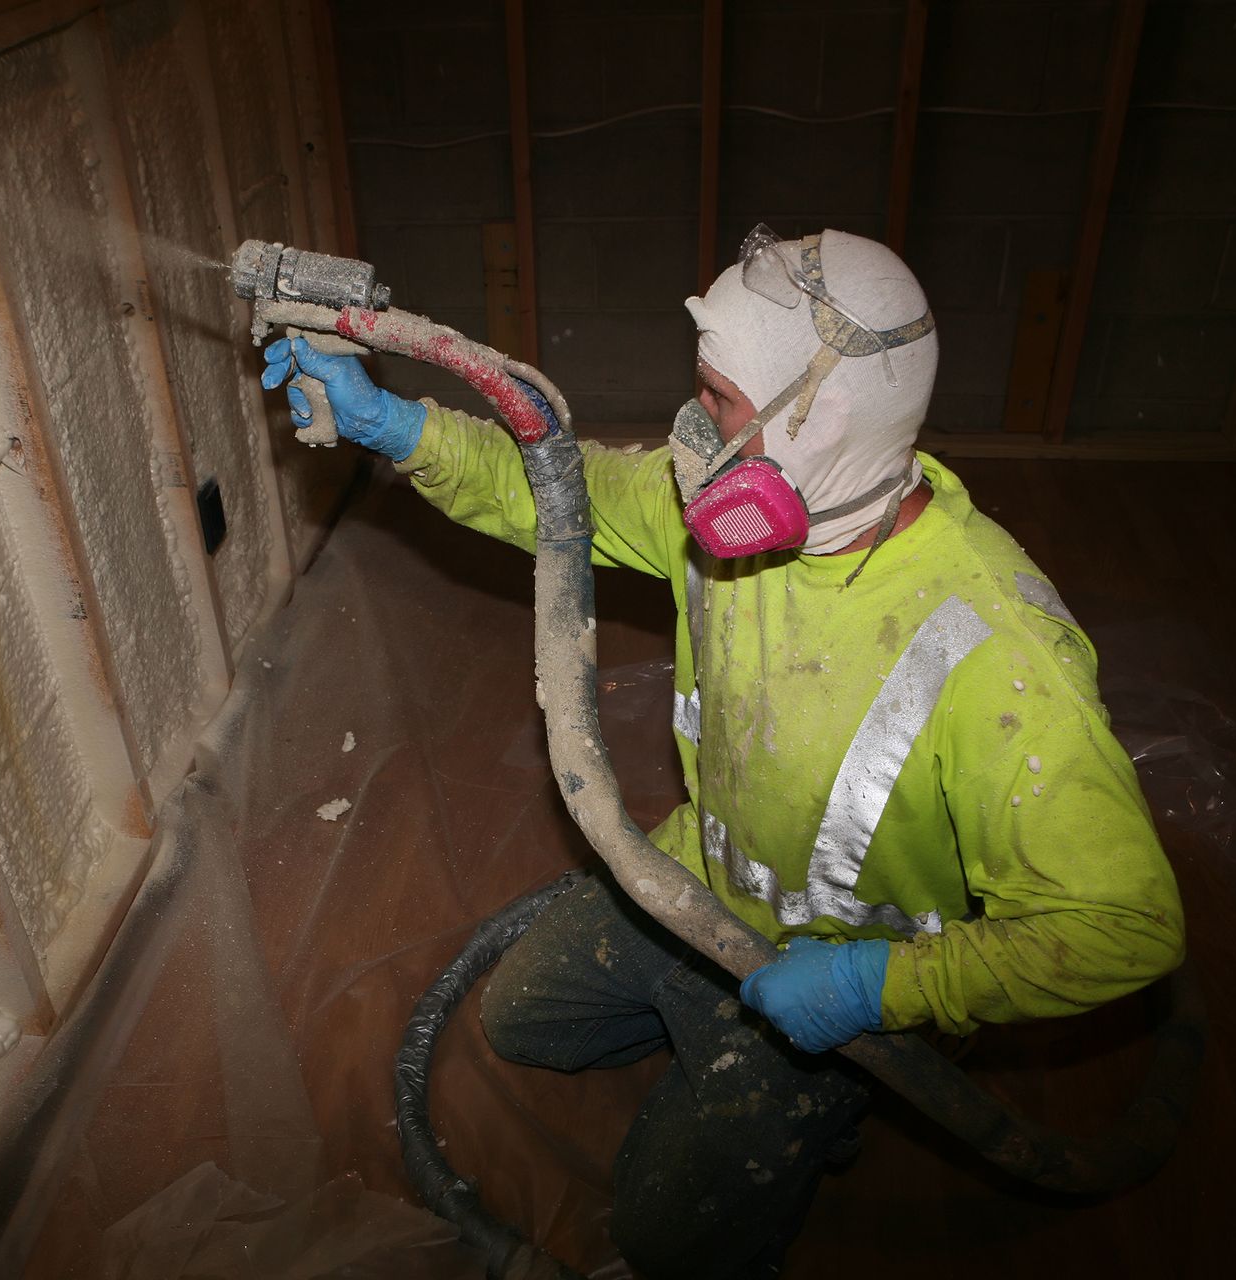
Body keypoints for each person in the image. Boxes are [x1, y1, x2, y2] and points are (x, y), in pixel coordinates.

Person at [260, 227, 1184, 1278]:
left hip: (835, 961)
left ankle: (832, 1091)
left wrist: (881, 989)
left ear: (822, 422)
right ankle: (713, 1033)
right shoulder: (723, 506)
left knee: (667, 1237)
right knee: (520, 1020)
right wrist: (400, 427)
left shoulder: (998, 659)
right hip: (699, 876)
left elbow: (1126, 928)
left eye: (722, 401)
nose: (693, 428)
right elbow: (562, 494)